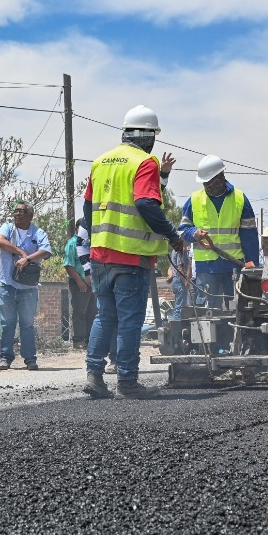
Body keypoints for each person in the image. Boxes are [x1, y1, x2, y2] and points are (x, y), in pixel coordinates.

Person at [82, 105, 183, 398]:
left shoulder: (100, 162)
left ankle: (95, 377)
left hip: (101, 254)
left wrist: (100, 235)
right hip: (131, 256)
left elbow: (87, 207)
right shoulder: (145, 161)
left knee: (104, 317)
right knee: (129, 321)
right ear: (148, 136)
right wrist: (172, 236)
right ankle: (127, 382)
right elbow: (145, 204)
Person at [181, 155, 259, 313]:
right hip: (206, 269)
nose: (206, 185)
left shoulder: (239, 199)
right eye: (204, 181)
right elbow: (183, 229)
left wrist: (252, 263)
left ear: (220, 176)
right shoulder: (194, 200)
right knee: (208, 315)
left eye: (209, 180)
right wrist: (193, 233)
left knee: (239, 311)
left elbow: (249, 234)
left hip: (234, 268)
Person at [0, 200, 52, 370]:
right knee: (7, 324)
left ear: (30, 216)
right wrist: (19, 252)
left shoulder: (38, 232)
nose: (17, 214)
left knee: (27, 324)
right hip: (7, 285)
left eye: (22, 211)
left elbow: (46, 250)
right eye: (15, 211)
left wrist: (28, 259)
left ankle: (30, 359)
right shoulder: (8, 228)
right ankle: (5, 357)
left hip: (28, 288)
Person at [61, 214, 94, 348]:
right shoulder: (72, 244)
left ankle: (90, 339)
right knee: (80, 311)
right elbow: (68, 265)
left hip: (92, 283)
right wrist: (79, 281)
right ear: (76, 230)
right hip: (79, 282)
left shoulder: (90, 242)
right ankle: (78, 339)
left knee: (92, 312)